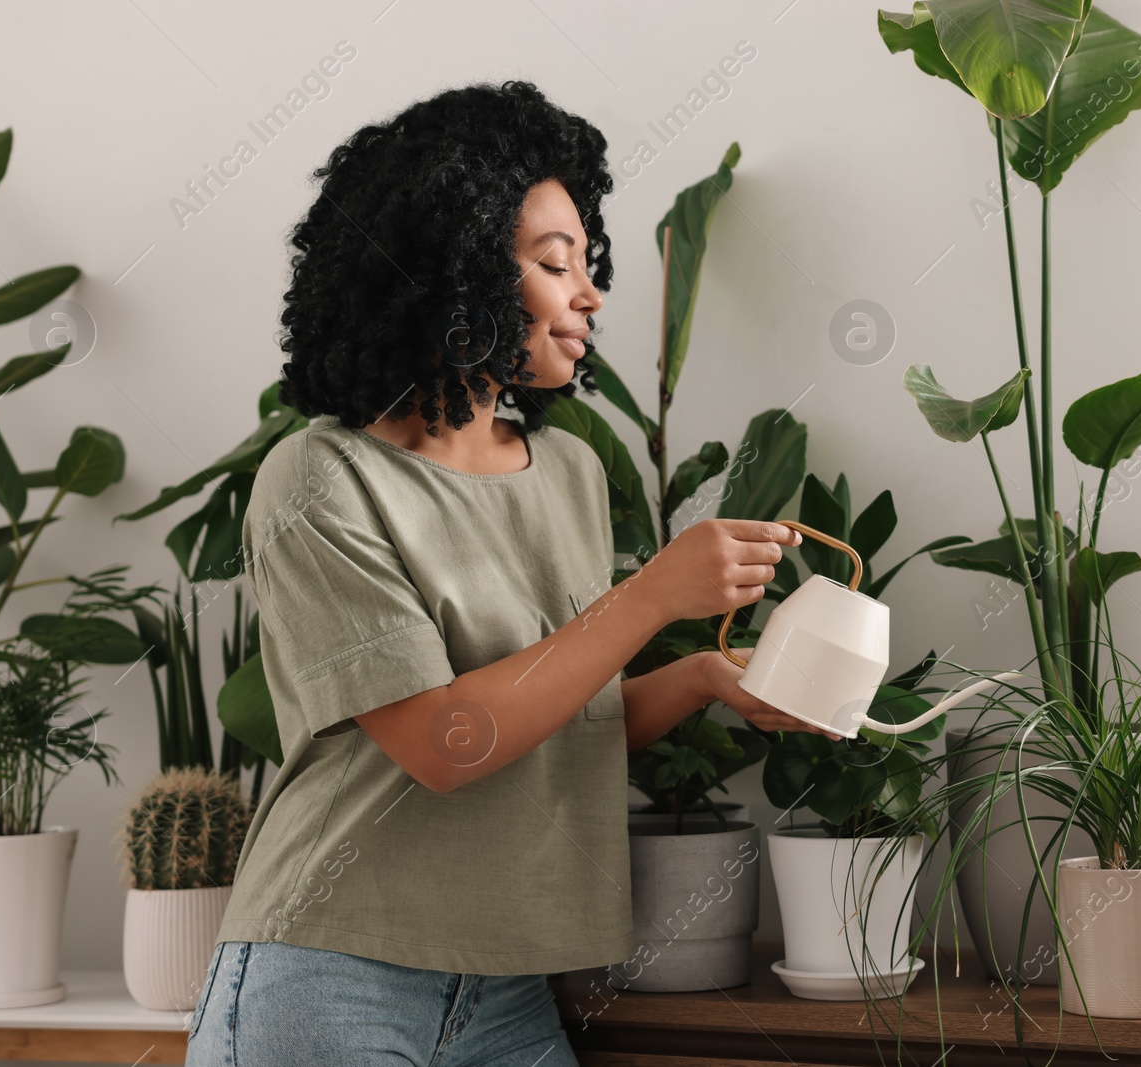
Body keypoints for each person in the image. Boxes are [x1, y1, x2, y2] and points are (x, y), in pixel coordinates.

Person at [183, 80, 837, 1067]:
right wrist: (651, 594)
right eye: (552, 263)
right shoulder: (320, 479)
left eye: (587, 262)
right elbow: (447, 740)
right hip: (330, 978)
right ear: (451, 274)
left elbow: (559, 717)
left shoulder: (567, 466)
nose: (589, 293)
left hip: (507, 993)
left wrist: (702, 678)